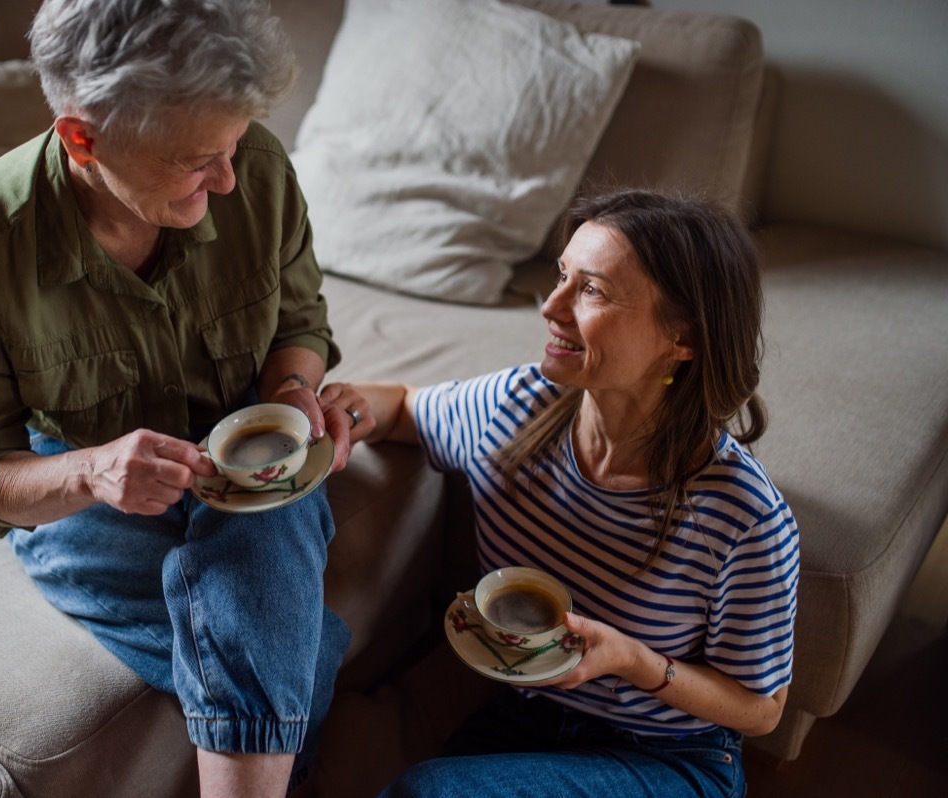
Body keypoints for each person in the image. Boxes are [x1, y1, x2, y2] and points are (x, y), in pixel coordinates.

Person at [0, 1, 371, 795]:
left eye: (233, 147)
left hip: (245, 434)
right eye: (197, 160)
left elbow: (299, 321)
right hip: (82, 482)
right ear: (82, 139)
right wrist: (90, 473)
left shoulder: (257, 169)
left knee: (265, 532)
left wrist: (293, 392)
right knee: (304, 651)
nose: (229, 178)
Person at [324, 189, 799, 798]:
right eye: (561, 276)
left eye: (592, 290)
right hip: (526, 716)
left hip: (670, 756)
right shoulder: (515, 408)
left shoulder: (744, 518)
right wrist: (340, 410)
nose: (550, 307)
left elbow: (762, 709)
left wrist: (632, 660)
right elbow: (403, 407)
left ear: (683, 337)